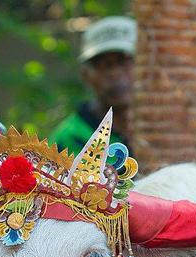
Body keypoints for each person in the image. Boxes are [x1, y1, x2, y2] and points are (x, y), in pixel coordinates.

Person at [49, 16, 136, 154]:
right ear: (86, 75)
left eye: (124, 62)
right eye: (103, 65)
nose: (115, 73)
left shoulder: (170, 129)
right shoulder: (67, 141)